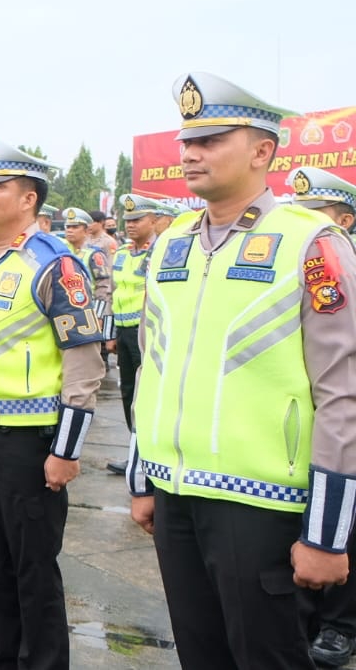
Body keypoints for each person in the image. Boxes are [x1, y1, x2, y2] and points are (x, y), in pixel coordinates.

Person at [127, 73, 356, 669]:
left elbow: (344, 393)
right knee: (200, 653)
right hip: (176, 493)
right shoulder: (172, 241)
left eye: (211, 140)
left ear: (262, 151)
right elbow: (155, 365)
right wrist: (142, 475)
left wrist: (327, 533)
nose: (189, 153)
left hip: (260, 504)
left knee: (266, 658)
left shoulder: (311, 243)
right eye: (187, 141)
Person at [0, 138, 105, 670]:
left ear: (29, 199)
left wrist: (66, 450)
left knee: (33, 572)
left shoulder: (55, 265)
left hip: (31, 444)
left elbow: (85, 366)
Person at [288, 167, 356, 667]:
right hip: (308, 413)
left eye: (316, 214)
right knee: (306, 521)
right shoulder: (296, 260)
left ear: (345, 219)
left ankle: (340, 625)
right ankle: (306, 614)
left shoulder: (340, 260)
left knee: (345, 525)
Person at [104, 193, 162, 475]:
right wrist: (110, 332)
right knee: (127, 391)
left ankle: (148, 454)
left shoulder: (160, 252)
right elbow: (113, 294)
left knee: (147, 391)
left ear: (153, 220)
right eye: (127, 220)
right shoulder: (123, 254)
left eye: (137, 219)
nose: (131, 225)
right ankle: (134, 451)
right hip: (124, 333)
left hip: (146, 333)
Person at [62, 207, 114, 326]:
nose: (70, 230)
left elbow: (103, 287)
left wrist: (98, 314)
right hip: (66, 312)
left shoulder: (94, 255)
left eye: (75, 227)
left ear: (86, 231)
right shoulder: (63, 254)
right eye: (68, 227)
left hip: (88, 311)